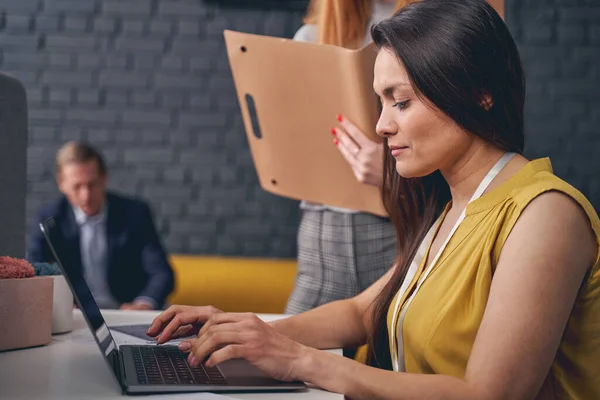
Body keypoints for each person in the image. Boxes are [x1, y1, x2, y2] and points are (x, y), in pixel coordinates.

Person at [147, 1, 600, 398]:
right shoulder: (452, 208)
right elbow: (363, 310)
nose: (381, 126)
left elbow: (488, 394)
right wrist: (245, 331)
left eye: (400, 102)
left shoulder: (545, 216)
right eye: (381, 102)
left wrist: (301, 361)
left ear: (480, 94)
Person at [285, 0, 415, 315]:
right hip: (323, 228)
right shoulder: (310, 37)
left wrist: (391, 171)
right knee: (288, 349)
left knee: (394, 352)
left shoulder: (431, 30)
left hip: (399, 223)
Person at [28, 141, 175, 310]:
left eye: (92, 184)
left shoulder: (135, 213)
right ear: (61, 183)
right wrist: (60, 304)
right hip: (75, 315)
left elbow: (161, 272)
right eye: (77, 186)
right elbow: (35, 268)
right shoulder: (49, 218)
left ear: (104, 179)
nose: (86, 196)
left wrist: (144, 303)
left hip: (125, 312)